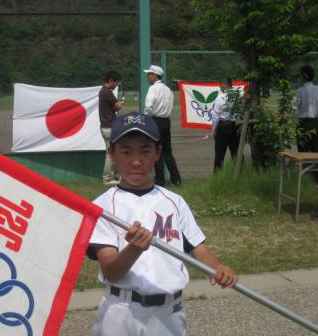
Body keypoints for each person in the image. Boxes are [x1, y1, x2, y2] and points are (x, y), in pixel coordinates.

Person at [87, 112, 238, 336]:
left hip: (168, 312)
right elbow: (112, 272)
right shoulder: (102, 206)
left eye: (145, 151)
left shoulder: (174, 202)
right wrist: (134, 249)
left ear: (158, 152)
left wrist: (218, 268)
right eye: (126, 152)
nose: (136, 161)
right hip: (121, 311)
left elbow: (199, 248)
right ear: (112, 154)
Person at [143, 65, 181, 187]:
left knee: (156, 152)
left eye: (149, 74)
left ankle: (160, 181)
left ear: (154, 75)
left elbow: (148, 106)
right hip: (166, 122)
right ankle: (176, 180)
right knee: (168, 153)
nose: (148, 76)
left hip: (156, 121)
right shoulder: (168, 90)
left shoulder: (153, 89)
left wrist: (146, 118)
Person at [294, 65, 318, 183]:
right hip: (316, 123)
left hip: (303, 125)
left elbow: (293, 108)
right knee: (316, 152)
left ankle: (304, 179)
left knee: (303, 153)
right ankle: (315, 179)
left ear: (303, 76)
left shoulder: (299, 91)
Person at [211, 76, 240, 172]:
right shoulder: (237, 96)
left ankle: (217, 176)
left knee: (219, 155)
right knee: (236, 154)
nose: (220, 87)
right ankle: (240, 174)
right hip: (235, 126)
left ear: (224, 84)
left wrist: (214, 131)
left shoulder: (220, 97)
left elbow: (216, 116)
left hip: (222, 127)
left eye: (221, 85)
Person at [99, 70, 123, 185]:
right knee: (110, 154)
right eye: (116, 83)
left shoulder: (103, 91)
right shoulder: (107, 92)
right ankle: (107, 178)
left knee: (112, 152)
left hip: (106, 127)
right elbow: (118, 106)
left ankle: (113, 176)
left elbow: (111, 108)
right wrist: (119, 103)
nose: (116, 85)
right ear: (110, 81)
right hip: (109, 127)